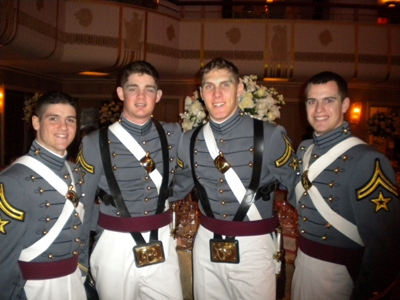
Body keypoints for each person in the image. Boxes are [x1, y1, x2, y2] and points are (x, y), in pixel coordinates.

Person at [169, 57, 298, 299]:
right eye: (209, 86)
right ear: (200, 93)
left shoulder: (270, 136)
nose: (216, 94)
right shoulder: (189, 140)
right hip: (206, 242)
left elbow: (298, 188)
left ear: (239, 89)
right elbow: (178, 187)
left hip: (255, 245)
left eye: (225, 85)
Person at [76, 60, 183, 299]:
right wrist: (81, 261)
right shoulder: (94, 142)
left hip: (162, 240)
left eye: (149, 89)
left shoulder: (174, 134)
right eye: (133, 88)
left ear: (159, 95)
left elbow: (186, 177)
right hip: (115, 245)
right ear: (121, 93)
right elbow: (81, 205)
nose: (141, 95)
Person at [291, 71, 400, 299]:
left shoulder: (368, 159)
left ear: (345, 104)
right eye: (312, 101)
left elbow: (385, 243)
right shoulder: (305, 150)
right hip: (303, 261)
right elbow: (299, 200)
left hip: (340, 273)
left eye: (329, 100)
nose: (319, 110)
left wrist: (367, 291)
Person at [0, 91, 87, 300]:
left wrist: (81, 271)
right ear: (36, 122)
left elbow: (80, 229)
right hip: (34, 289)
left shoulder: (75, 172)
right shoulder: (13, 180)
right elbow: (3, 256)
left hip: (74, 281)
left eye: (70, 120)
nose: (64, 128)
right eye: (54, 119)